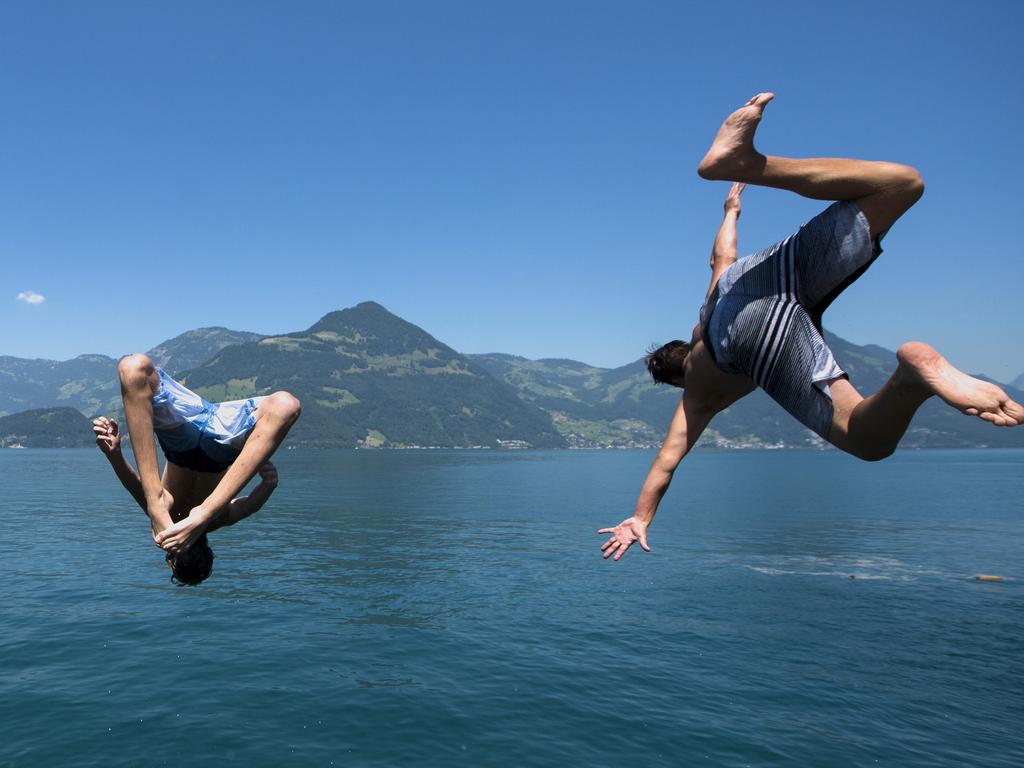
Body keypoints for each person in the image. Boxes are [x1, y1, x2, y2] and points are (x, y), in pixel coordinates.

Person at [599, 92, 1024, 561]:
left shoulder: (698, 390)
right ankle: (749, 163)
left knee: (867, 441)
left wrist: (640, 516)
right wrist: (731, 211)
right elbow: (722, 256)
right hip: (753, 278)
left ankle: (910, 376)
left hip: (751, 338)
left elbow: (667, 462)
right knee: (901, 184)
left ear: (676, 375)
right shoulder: (704, 313)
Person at [94, 353, 301, 583]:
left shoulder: (167, 520)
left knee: (132, 367)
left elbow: (134, 485)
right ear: (171, 557)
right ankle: (197, 508)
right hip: (223, 443)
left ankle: (156, 498)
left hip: (180, 439)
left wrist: (114, 454)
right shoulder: (217, 519)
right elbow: (248, 507)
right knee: (286, 405)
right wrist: (207, 514)